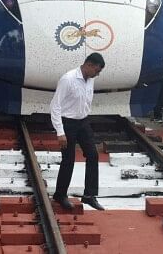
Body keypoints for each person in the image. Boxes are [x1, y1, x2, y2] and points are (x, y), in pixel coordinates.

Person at [51, 53, 106, 211]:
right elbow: (55, 106)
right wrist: (60, 132)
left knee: (93, 155)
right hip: (67, 123)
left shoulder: (91, 80)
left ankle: (89, 195)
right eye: (96, 70)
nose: (97, 74)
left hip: (83, 122)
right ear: (88, 65)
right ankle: (60, 195)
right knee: (68, 160)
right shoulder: (68, 79)